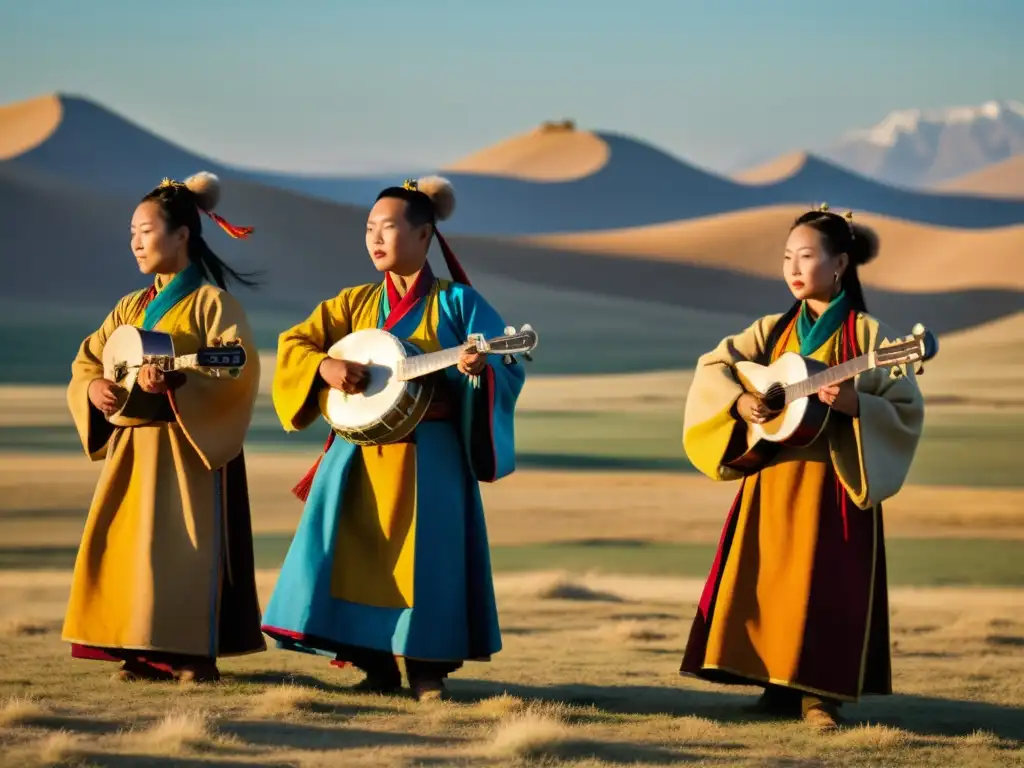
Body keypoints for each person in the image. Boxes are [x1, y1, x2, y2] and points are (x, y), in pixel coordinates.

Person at [262, 176, 526, 701]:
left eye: (387, 228)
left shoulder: (459, 303)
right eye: (368, 229)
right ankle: (374, 664)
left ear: (425, 234)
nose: (375, 239)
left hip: (431, 457)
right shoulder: (355, 303)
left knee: (430, 561)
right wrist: (325, 365)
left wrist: (478, 370)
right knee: (355, 555)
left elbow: (506, 365)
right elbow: (295, 342)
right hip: (357, 457)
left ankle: (427, 670)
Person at [679, 204, 925, 730]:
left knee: (823, 583)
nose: (793, 268)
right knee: (767, 580)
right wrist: (742, 405)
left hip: (830, 478)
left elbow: (904, 405)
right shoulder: (771, 331)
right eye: (787, 257)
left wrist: (859, 406)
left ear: (839, 264)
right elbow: (714, 367)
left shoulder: (869, 336)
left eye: (807, 257)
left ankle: (819, 696)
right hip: (772, 476)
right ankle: (773, 682)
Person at [62, 172, 266, 683]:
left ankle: (191, 654)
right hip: (131, 449)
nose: (135, 241)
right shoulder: (129, 307)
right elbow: (89, 359)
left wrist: (179, 382)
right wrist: (92, 389)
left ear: (182, 235)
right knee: (129, 547)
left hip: (186, 449)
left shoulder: (214, 304)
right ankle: (138, 647)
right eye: (132, 231)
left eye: (146, 230)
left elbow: (236, 369)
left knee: (186, 551)